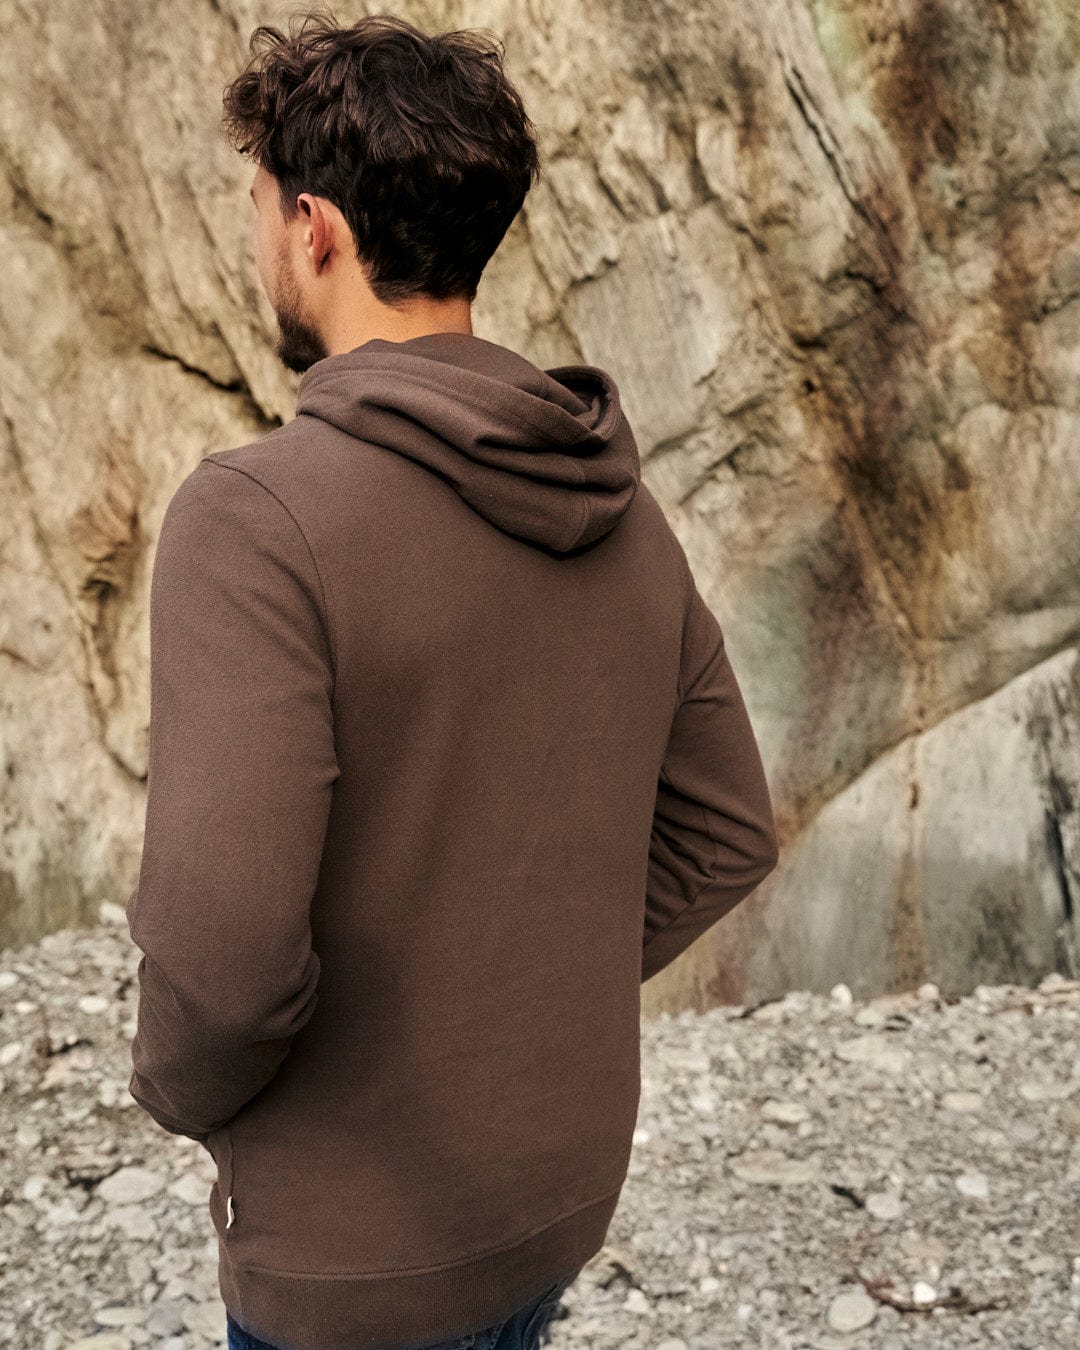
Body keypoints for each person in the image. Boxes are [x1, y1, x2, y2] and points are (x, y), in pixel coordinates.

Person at [124, 10, 780, 1350]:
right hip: (553, 1192)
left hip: (356, 1254)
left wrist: (178, 1094)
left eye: (259, 208)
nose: (257, 241)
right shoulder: (619, 506)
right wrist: (533, 987)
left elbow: (225, 969)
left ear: (315, 229)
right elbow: (725, 828)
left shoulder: (255, 519)